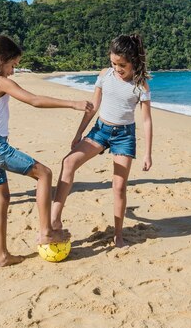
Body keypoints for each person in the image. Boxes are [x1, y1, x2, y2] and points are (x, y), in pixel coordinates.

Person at [0, 35, 92, 267]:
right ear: (1, 60)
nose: (12, 71)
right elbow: (34, 100)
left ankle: (2, 256)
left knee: (1, 199)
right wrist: (72, 103)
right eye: (12, 65)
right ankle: (46, 232)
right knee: (44, 173)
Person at [51, 34, 153, 248]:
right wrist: (79, 133)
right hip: (100, 130)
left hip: (124, 136)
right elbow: (93, 106)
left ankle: (118, 235)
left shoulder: (140, 85)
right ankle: (54, 219)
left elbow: (146, 120)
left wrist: (147, 153)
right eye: (113, 63)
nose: (117, 68)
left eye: (122, 65)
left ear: (133, 61)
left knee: (119, 186)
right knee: (68, 162)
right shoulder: (105, 75)